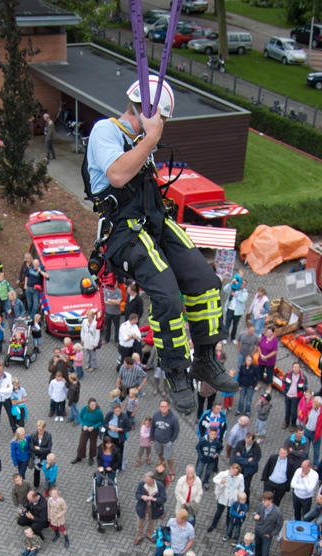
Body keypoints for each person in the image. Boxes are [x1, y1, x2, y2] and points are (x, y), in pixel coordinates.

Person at [85, 77, 236, 413]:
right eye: (162, 120)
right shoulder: (105, 131)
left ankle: (205, 358)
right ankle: (175, 370)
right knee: (167, 296)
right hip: (123, 233)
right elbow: (117, 176)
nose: (162, 127)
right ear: (151, 113)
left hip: (153, 223)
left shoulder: (141, 142)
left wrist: (147, 140)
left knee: (206, 281)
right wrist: (151, 137)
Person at [252, 490, 284, 556]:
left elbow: (279, 526)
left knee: (265, 555)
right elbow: (257, 514)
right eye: (262, 500)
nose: (263, 502)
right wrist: (255, 517)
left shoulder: (277, 512)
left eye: (265, 500)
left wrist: (271, 534)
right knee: (257, 547)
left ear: (270, 501)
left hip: (266, 535)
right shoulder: (261, 506)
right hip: (258, 531)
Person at [207, 463, 244, 533]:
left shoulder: (240, 477)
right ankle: (213, 525)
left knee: (229, 514)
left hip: (233, 498)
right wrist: (221, 481)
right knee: (218, 513)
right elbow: (214, 479)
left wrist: (238, 496)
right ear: (230, 468)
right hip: (223, 496)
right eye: (232, 470)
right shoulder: (223, 474)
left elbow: (241, 487)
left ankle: (228, 527)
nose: (233, 472)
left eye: (235, 472)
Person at [150, 400, 180, 482]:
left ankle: (171, 471)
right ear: (159, 407)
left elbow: (176, 431)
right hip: (157, 440)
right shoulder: (156, 415)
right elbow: (152, 427)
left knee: (169, 457)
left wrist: (171, 441)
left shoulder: (173, 418)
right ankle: (162, 465)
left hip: (167, 442)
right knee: (159, 453)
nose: (163, 408)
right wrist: (151, 437)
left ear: (168, 407)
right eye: (162, 406)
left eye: (165, 406)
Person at [134, 471, 167, 545]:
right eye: (144, 478)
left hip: (154, 508)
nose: (144, 480)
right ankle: (139, 537)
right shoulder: (142, 484)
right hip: (143, 507)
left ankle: (149, 534)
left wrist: (154, 499)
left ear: (152, 480)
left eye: (146, 479)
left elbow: (163, 499)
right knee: (140, 523)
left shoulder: (160, 486)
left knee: (151, 522)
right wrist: (142, 497)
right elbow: (137, 495)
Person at [71, 398, 104, 466]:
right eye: (92, 405)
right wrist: (83, 425)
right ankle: (79, 457)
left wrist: (94, 427)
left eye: (94, 405)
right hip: (85, 429)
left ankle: (91, 457)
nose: (93, 406)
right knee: (82, 443)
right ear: (89, 404)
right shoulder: (84, 409)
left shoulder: (98, 412)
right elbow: (80, 417)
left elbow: (101, 421)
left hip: (94, 430)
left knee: (93, 444)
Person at [304, 396, 322, 466]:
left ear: (319, 404)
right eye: (313, 401)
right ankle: (305, 460)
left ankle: (315, 463)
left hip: (315, 434)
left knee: (316, 450)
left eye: (315, 402)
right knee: (305, 447)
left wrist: (321, 432)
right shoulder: (310, 407)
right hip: (307, 430)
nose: (313, 403)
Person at [223, 272, 248, 343]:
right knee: (227, 324)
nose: (242, 285)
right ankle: (225, 337)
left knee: (235, 325)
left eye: (244, 284)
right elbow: (225, 289)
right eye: (242, 283)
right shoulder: (233, 288)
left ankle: (233, 338)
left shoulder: (245, 292)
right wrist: (231, 282)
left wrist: (236, 296)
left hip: (237, 311)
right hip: (230, 309)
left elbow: (243, 299)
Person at [282, 362, 307, 429]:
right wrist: (284, 390)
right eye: (294, 367)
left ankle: (293, 424)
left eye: (297, 367)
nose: (296, 369)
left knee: (293, 412)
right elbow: (283, 381)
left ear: (299, 368)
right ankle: (286, 422)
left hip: (295, 397)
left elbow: (304, 388)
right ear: (292, 368)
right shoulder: (288, 374)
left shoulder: (303, 378)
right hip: (287, 395)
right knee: (287, 410)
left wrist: (298, 395)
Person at [30, 419, 52, 489]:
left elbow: (48, 449)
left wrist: (39, 449)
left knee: (47, 471)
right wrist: (42, 450)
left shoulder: (48, 436)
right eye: (38, 429)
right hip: (36, 457)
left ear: (44, 428)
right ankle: (36, 485)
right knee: (36, 472)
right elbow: (31, 448)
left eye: (41, 429)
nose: (39, 431)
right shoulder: (33, 435)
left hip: (44, 458)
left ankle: (48, 485)